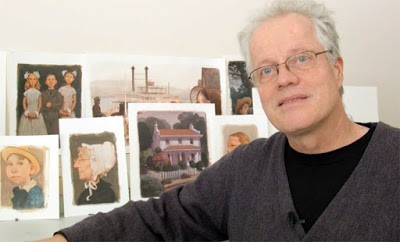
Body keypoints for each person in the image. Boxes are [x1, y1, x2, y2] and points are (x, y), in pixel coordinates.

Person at [42, 0, 399, 241]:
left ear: (337, 69)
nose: (284, 78)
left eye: (302, 59)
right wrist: (66, 238)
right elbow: (162, 218)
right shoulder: (245, 169)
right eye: (267, 69)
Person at [17, 71, 48, 135]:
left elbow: (40, 103)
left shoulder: (38, 92)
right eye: (30, 79)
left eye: (34, 79)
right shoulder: (26, 92)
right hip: (29, 110)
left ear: (37, 81)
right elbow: (24, 103)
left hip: (36, 111)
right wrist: (27, 112)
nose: (32, 81)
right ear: (28, 81)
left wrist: (37, 112)